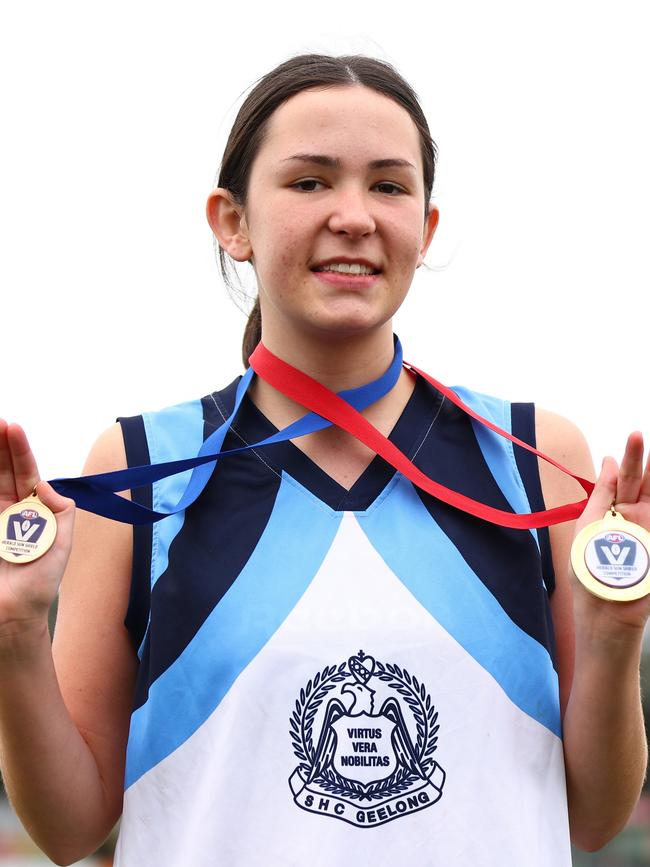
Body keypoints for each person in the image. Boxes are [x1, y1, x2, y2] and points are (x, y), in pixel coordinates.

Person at [0, 53, 648, 867]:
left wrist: (615, 631)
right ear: (231, 221)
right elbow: (66, 830)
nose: (353, 215)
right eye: (309, 182)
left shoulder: (533, 458)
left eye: (388, 185)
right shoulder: (142, 467)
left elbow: (591, 817)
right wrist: (16, 630)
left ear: (428, 226)